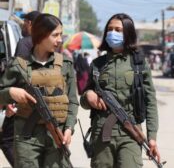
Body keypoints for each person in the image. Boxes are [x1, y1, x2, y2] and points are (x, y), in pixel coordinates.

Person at [80, 13, 161, 168]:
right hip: (102, 133)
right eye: (110, 29)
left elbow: (150, 102)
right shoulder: (97, 64)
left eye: (118, 30)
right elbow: (84, 100)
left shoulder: (139, 64)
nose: (112, 33)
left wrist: (152, 137)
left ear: (128, 34)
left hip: (130, 132)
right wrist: (88, 96)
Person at [0, 13, 79, 167]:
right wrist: (10, 93)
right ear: (41, 34)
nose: (60, 40)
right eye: (55, 35)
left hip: (56, 135)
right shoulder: (18, 65)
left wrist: (69, 128)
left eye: (61, 34)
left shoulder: (65, 64)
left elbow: (73, 101)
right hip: (26, 138)